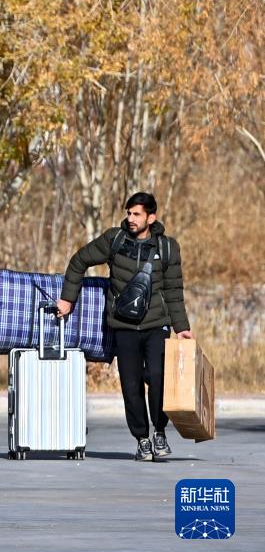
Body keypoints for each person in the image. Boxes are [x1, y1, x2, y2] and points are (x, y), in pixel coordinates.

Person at [56, 192, 193, 462]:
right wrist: (67, 299)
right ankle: (142, 439)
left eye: (136, 214)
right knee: (131, 386)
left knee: (158, 378)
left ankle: (159, 432)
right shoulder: (114, 240)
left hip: (156, 325)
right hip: (123, 326)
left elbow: (174, 291)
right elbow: (79, 261)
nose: (130, 218)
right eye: (128, 213)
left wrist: (182, 327)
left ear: (151, 218)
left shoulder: (168, 248)